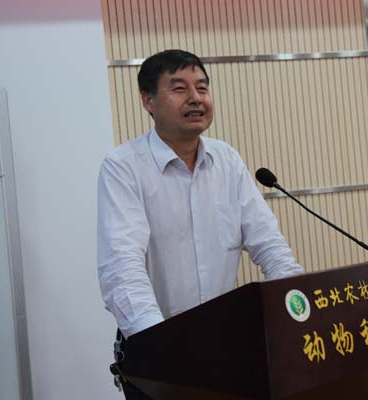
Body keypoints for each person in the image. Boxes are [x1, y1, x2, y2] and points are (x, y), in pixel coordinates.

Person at [97, 49, 303, 341]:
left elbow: (269, 245)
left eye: (202, 88)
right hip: (159, 344)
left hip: (224, 339)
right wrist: (158, 341)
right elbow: (122, 268)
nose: (195, 98)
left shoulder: (227, 159)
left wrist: (299, 306)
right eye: (179, 89)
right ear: (148, 101)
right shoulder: (123, 167)